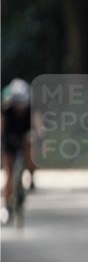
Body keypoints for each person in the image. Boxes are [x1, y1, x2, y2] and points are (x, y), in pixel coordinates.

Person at [2, 78, 37, 217]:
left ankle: (32, 176)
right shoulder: (6, 110)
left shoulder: (30, 110)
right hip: (9, 139)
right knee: (9, 172)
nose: (19, 106)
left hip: (24, 137)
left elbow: (36, 124)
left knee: (31, 151)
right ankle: (6, 203)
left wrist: (37, 135)